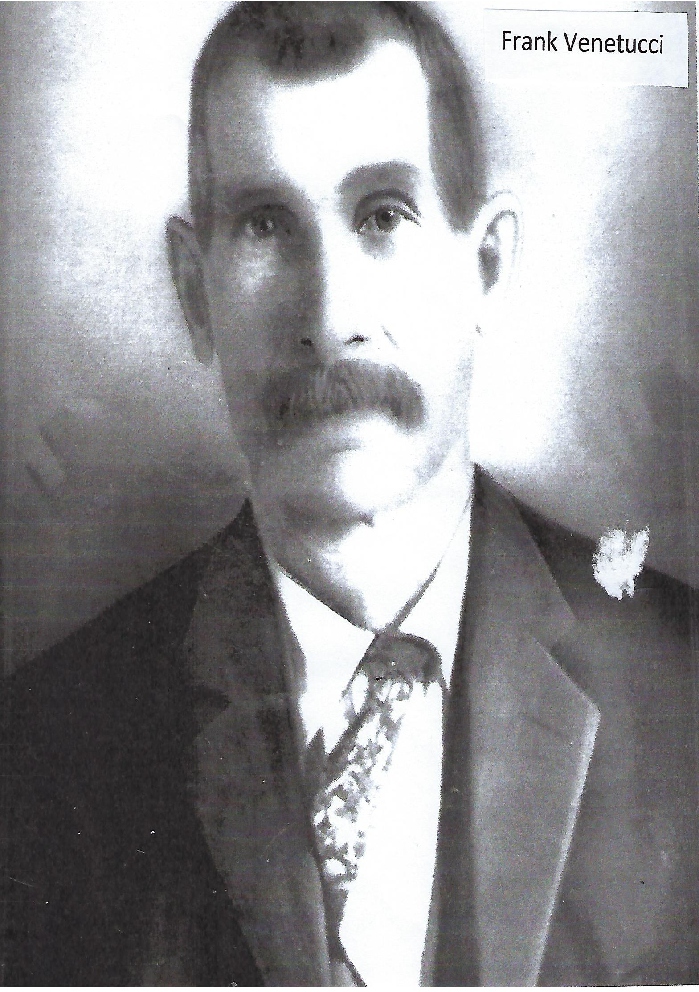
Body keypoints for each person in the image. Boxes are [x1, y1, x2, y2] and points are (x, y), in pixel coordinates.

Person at [2, 2, 698, 986]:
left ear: (485, 266)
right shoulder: (46, 746)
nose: (329, 319)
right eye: (266, 224)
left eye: (383, 214)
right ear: (195, 293)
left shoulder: (682, 691)